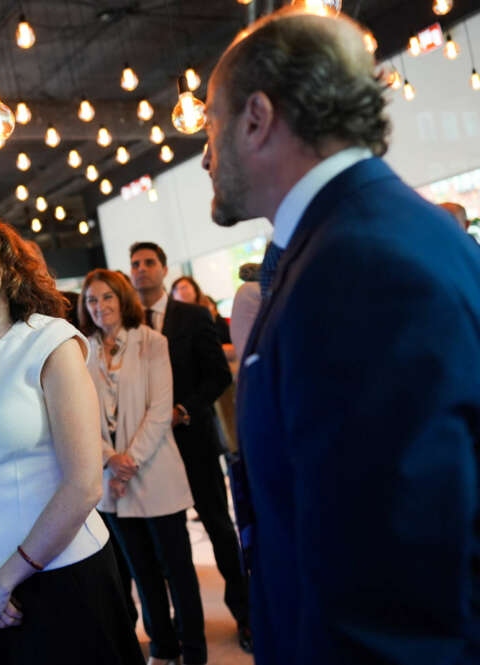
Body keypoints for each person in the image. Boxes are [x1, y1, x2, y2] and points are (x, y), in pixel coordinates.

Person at [202, 8, 480, 664]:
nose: (206, 154)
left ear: (257, 118)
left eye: (210, 124)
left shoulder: (358, 265)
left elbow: (391, 594)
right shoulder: (347, 238)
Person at [0, 201, 143, 665]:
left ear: (3, 259)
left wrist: (3, 583)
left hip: (65, 575)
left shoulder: (50, 342)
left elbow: (83, 485)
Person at [129, 241, 251, 652]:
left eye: (149, 263)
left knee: (218, 529)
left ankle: (246, 614)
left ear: (163, 269)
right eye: (135, 264)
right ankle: (184, 622)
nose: (141, 270)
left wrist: (186, 409)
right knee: (170, 544)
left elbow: (218, 376)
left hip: (193, 440)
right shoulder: (128, 323)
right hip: (152, 451)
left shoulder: (194, 316)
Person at [80, 268, 206, 665]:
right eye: (91, 300)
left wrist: (127, 461)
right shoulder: (81, 351)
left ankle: (194, 650)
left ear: (122, 298)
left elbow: (158, 410)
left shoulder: (153, 342)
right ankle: (163, 648)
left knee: (179, 572)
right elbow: (79, 416)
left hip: (154, 474)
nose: (99, 307)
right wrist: (108, 459)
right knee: (142, 574)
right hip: (111, 484)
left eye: (106, 298)